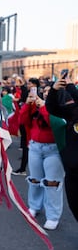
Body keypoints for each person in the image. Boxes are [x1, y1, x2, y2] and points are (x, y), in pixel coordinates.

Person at [19, 85, 65, 230]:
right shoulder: (37, 106)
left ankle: (53, 215)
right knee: (34, 179)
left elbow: (56, 123)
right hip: (35, 147)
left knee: (52, 183)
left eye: (49, 92)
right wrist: (27, 104)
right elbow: (22, 120)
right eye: (44, 91)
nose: (45, 94)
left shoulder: (62, 108)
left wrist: (44, 107)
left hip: (54, 149)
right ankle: (34, 206)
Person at [46, 76, 78, 221]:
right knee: (74, 204)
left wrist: (71, 87)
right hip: (72, 169)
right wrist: (54, 90)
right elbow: (53, 109)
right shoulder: (74, 111)